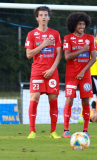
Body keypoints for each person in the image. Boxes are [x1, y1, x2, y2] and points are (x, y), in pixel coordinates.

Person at [24, 6, 62, 139]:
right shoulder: (32, 34)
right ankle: (32, 131)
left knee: (53, 100)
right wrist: (43, 44)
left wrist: (52, 69)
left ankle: (53, 132)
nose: (44, 17)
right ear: (37, 17)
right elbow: (29, 54)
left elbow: (59, 54)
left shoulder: (55, 34)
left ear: (49, 17)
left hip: (52, 72)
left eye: (46, 15)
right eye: (41, 15)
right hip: (37, 71)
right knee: (34, 98)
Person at [62, 12, 97, 138]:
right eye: (79, 24)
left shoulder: (90, 38)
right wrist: (83, 49)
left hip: (85, 75)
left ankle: (86, 130)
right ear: (74, 25)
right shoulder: (68, 38)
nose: (82, 26)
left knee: (86, 100)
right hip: (71, 74)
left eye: (83, 24)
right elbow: (67, 56)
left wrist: (83, 71)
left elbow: (93, 58)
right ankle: (66, 130)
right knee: (69, 99)